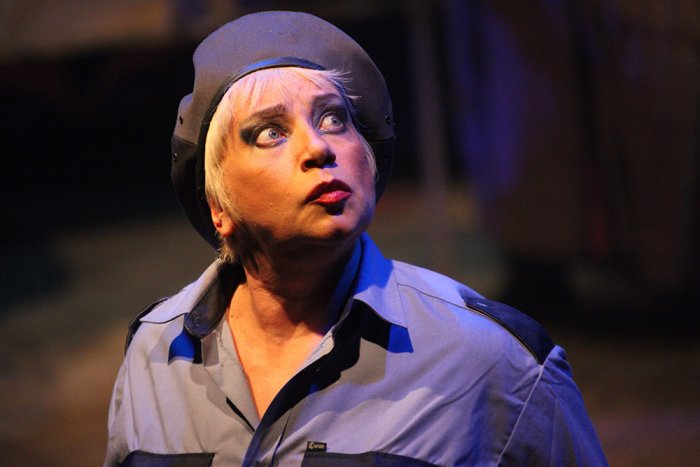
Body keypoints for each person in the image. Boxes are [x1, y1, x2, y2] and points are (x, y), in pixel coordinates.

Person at [104, 11, 607, 466]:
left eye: (333, 118)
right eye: (270, 132)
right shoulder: (155, 351)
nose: (318, 147)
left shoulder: (490, 359)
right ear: (218, 207)